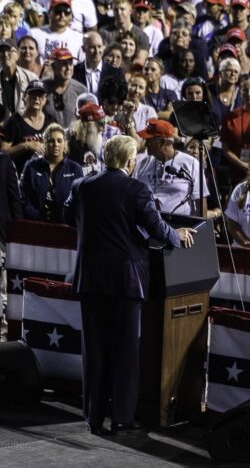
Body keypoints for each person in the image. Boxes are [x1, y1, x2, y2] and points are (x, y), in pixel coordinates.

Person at [65, 135, 194, 435]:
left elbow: (67, 216)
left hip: (91, 280)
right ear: (130, 162)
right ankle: (122, 417)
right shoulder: (136, 189)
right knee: (125, 352)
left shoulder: (81, 186)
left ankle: (93, 417)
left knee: (94, 352)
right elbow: (157, 228)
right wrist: (179, 235)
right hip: (126, 282)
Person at [131, 119, 209, 217]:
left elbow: (201, 201)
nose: (146, 144)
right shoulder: (144, 163)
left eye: (149, 140)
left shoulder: (191, 163)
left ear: (162, 142)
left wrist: (199, 229)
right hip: (149, 225)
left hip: (180, 225)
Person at [20, 124, 84, 223]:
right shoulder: (31, 166)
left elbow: (80, 202)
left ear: (65, 144)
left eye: (59, 140)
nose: (55, 144)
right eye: (51, 141)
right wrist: (38, 217)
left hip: (66, 228)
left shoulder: (75, 169)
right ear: (44, 143)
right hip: (36, 225)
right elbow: (23, 199)